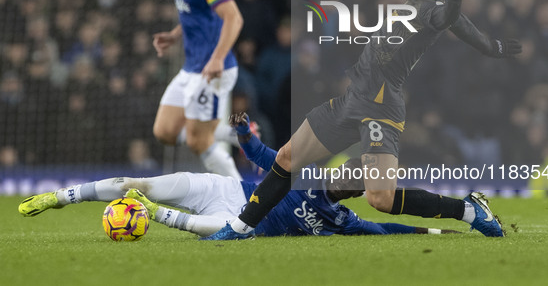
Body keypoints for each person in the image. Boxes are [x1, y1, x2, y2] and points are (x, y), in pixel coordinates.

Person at [205, 0, 521, 240]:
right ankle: (241, 226)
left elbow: (448, 16)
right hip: (352, 100)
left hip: (380, 108)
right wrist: (494, 47)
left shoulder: (433, 10)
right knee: (288, 157)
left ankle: (467, 209)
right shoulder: (419, 6)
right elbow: (462, 25)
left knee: (379, 198)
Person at [17, 113, 459, 237]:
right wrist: (246, 134)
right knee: (135, 183)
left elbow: (384, 227)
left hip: (237, 220)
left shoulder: (343, 222)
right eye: (353, 172)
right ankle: (60, 197)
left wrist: (429, 232)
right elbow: (261, 154)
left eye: (358, 183)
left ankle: (154, 215)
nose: (351, 180)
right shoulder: (300, 173)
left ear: (358, 192)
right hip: (225, 189)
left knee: (230, 230)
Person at [151, 0, 243, 179]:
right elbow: (199, 13)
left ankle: (244, 199)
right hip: (191, 68)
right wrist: (176, 34)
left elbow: (234, 18)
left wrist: (216, 58)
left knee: (197, 142)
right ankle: (231, 132)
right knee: (164, 132)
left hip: (214, 69)